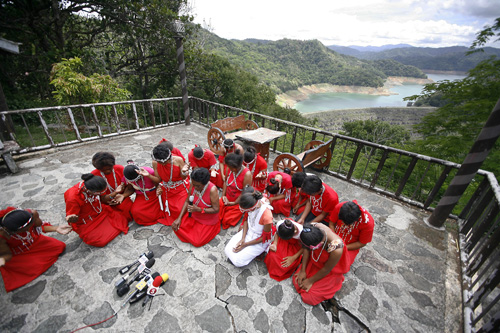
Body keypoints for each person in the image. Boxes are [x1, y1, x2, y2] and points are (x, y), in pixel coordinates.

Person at [0, 207, 71, 292]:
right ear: (15, 231)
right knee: (34, 267)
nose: (29, 230)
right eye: (25, 229)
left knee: (59, 246)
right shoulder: (3, 235)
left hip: (34, 241)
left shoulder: (32, 214)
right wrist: (3, 259)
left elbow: (40, 227)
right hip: (19, 252)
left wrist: (56, 228)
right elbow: (6, 254)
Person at [293, 222, 350, 305]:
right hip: (315, 260)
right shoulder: (311, 228)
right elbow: (306, 249)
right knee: (297, 282)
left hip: (329, 270)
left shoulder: (336, 248)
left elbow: (327, 269)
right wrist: (303, 270)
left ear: (321, 244)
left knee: (309, 297)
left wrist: (310, 281)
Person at [64, 174, 129, 247]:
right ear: (89, 191)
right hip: (87, 221)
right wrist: (72, 218)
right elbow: (72, 217)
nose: (101, 193)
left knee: (123, 220)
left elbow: (103, 198)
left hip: (100, 212)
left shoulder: (95, 185)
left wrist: (116, 193)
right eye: (99, 193)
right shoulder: (72, 197)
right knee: (101, 241)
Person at [172, 168, 220, 247]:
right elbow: (187, 201)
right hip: (194, 215)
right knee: (177, 227)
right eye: (193, 184)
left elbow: (216, 209)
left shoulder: (212, 190)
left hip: (207, 218)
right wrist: (179, 218)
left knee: (197, 242)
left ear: (205, 183)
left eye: (198, 186)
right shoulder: (193, 184)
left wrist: (199, 209)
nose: (195, 187)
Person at [224, 189, 273, 267]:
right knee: (227, 250)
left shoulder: (267, 216)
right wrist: (243, 238)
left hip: (259, 240)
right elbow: (246, 221)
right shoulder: (251, 204)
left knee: (238, 262)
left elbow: (264, 238)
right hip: (248, 232)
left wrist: (245, 244)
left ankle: (262, 251)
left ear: (253, 208)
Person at [148, 144, 190, 226]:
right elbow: (159, 179)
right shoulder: (155, 163)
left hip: (180, 188)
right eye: (160, 162)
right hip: (167, 189)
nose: (163, 164)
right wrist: (148, 175)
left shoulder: (178, 160)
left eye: (165, 162)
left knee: (180, 210)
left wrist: (184, 172)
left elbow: (184, 177)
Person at [329, 200, 374, 267]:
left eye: (346, 223)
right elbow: (332, 223)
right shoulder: (340, 207)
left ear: (357, 219)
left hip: (349, 246)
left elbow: (362, 243)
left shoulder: (368, 224)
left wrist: (342, 247)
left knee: (340, 264)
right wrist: (333, 239)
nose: (343, 224)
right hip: (334, 236)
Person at [91, 152, 133, 222]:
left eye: (110, 168)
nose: (108, 171)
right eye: (104, 170)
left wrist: (122, 196)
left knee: (132, 213)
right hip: (105, 204)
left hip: (122, 199)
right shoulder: (94, 175)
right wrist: (114, 194)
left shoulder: (120, 169)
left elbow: (131, 188)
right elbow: (102, 199)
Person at [219, 152, 252, 229]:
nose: (228, 168)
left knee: (227, 220)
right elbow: (225, 182)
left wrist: (234, 203)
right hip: (226, 198)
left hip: (238, 202)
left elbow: (245, 192)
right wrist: (223, 196)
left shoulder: (247, 174)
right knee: (217, 215)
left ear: (236, 168)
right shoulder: (229, 168)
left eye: (230, 167)